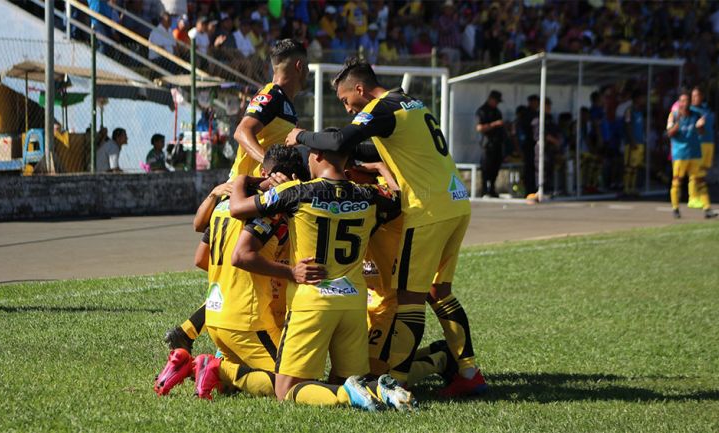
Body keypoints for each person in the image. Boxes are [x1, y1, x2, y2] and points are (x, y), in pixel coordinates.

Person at [285, 58, 486, 398]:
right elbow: (371, 147)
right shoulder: (409, 102)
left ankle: (396, 381)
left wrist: (300, 136)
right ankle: (467, 370)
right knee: (439, 291)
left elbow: (340, 141)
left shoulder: (383, 107)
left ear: (360, 89)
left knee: (409, 299)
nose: (348, 110)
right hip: (455, 201)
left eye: (347, 101)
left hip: (427, 209)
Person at [229, 142, 414, 411]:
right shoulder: (368, 194)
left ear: (317, 156)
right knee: (345, 378)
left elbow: (237, 208)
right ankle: (375, 389)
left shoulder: (295, 192)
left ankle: (349, 395)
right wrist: (381, 168)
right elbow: (398, 197)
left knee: (286, 389)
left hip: (313, 300)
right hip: (353, 302)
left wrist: (243, 179)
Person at [155, 145, 310, 398]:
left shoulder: (225, 203)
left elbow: (201, 258)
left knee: (237, 381)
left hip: (216, 319)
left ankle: (192, 364)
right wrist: (286, 272)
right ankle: (204, 366)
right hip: (245, 320)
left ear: (263, 171)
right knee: (290, 384)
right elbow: (244, 255)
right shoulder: (270, 208)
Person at [230, 39, 307, 180]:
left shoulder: (286, 103)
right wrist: (271, 165)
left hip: (265, 189)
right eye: (307, 67)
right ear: (299, 66)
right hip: (246, 191)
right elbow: (241, 132)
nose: (308, 72)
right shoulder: (271, 94)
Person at [666, 91, 716, 219]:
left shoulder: (696, 114)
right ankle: (675, 208)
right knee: (677, 182)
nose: (685, 103)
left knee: (700, 180)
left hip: (694, 153)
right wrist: (676, 125)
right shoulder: (674, 115)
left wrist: (700, 126)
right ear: (679, 103)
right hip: (680, 154)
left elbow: (701, 133)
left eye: (687, 101)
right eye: (682, 101)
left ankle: (707, 208)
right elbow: (669, 133)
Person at [688, 86, 715, 209]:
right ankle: (692, 197)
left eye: (696, 95)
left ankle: (699, 196)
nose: (694, 98)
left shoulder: (706, 109)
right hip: (698, 144)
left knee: (703, 172)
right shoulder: (690, 111)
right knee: (695, 172)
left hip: (709, 143)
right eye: (692, 96)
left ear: (702, 96)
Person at [476, 90, 506, 198]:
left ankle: (492, 189)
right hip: (487, 145)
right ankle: (484, 190)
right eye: (496, 101)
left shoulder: (497, 111)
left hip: (497, 144)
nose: (497, 103)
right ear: (491, 99)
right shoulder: (482, 111)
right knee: (486, 168)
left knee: (495, 168)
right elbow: (479, 128)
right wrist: (494, 124)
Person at [622, 92, 646, 196]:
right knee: (629, 167)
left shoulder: (640, 111)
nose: (642, 100)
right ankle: (626, 188)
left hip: (640, 142)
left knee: (636, 167)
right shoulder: (629, 111)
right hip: (632, 143)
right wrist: (632, 141)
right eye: (641, 98)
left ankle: (633, 188)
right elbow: (627, 126)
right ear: (636, 98)